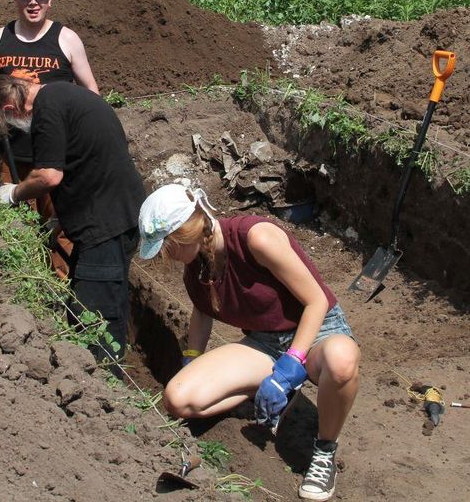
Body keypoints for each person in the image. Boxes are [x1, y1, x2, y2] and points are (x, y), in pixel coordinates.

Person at [137, 184, 361, 502]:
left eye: (166, 245)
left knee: (342, 361)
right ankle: (268, 392)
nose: (166, 255)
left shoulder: (256, 237)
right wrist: (192, 359)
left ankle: (324, 451)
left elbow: (316, 302)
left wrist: (292, 361)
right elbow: (202, 313)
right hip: (264, 343)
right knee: (178, 399)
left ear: (186, 231)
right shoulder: (197, 266)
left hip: (317, 332)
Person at [0, 73, 144, 371]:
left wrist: (14, 193)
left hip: (103, 225)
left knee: (95, 311)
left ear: (8, 110)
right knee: (111, 298)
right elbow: (81, 160)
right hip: (121, 214)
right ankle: (114, 373)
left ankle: (105, 387)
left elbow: (48, 175)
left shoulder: (47, 109)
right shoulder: (67, 95)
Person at [0, 0, 98, 278]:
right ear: (15, 0)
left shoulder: (66, 39)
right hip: (13, 151)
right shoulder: (0, 38)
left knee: (61, 223)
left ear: (50, 0)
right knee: (19, 225)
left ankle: (64, 283)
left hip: (57, 152)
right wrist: (4, 104)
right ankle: (27, 285)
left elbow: (91, 93)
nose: (32, 2)